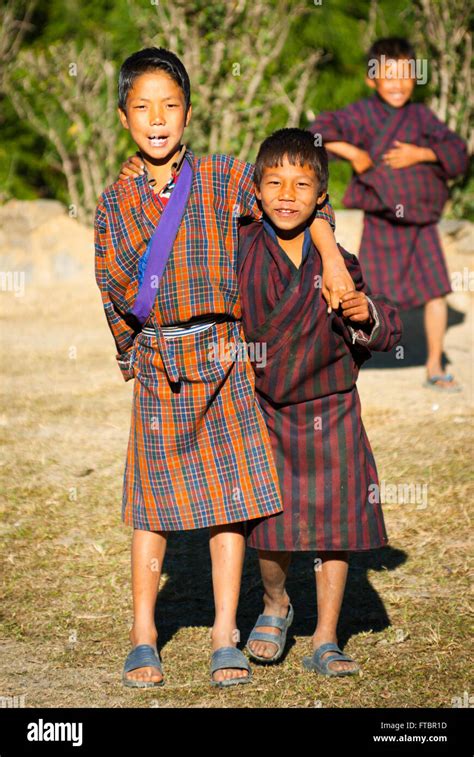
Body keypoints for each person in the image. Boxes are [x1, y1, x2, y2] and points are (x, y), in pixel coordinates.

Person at [95, 47, 352, 688]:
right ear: (124, 117)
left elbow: (297, 203)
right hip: (161, 364)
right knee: (151, 508)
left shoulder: (221, 178)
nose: (159, 119)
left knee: (229, 504)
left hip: (227, 359)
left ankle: (222, 634)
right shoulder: (113, 203)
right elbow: (111, 291)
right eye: (144, 108)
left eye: (171, 106)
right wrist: (135, 356)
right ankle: (143, 635)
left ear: (189, 112)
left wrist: (334, 259)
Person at [237, 128, 402, 675]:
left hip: (330, 408)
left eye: (302, 184)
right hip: (268, 408)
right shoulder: (240, 247)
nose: (287, 194)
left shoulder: (339, 261)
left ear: (320, 198)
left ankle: (327, 637)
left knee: (337, 525)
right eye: (274, 182)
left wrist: (363, 314)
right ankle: (275, 602)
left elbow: (385, 330)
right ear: (256, 190)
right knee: (271, 526)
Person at [309, 37, 469, 392]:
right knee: (365, 296)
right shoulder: (361, 115)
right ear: (371, 79)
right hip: (382, 222)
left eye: (405, 75)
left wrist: (423, 154)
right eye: (388, 74)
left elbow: (457, 151)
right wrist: (353, 152)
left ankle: (433, 364)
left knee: (437, 293)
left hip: (421, 223)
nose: (397, 83)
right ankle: (345, 359)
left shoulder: (421, 116)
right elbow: (316, 133)